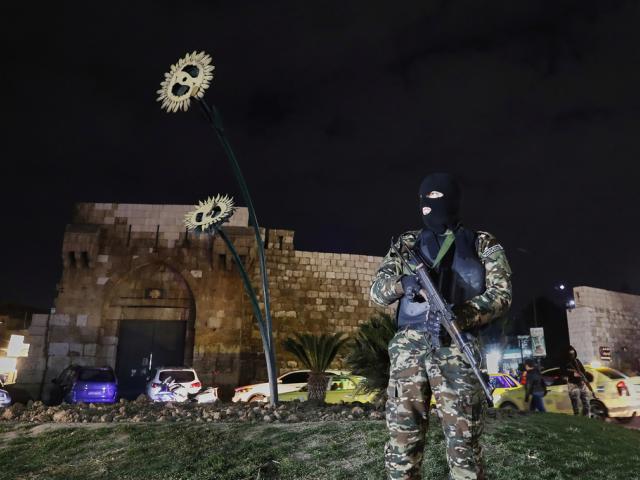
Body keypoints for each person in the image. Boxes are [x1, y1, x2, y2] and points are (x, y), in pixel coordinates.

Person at [370, 173, 512, 480]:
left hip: (457, 348)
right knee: (402, 443)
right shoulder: (407, 242)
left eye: (437, 197)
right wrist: (402, 284)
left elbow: (502, 295)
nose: (429, 205)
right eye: (425, 198)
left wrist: (461, 315)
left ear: (453, 199)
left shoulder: (482, 242)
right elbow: (377, 290)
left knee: (463, 445)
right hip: (408, 352)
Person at [561, 345, 591, 416]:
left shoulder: (577, 361)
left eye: (573, 353)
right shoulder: (565, 363)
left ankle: (586, 417)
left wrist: (582, 376)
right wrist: (571, 373)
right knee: (575, 403)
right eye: (570, 353)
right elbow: (563, 373)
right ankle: (577, 416)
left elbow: (583, 371)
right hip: (572, 384)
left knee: (586, 402)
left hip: (581, 383)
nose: (572, 355)